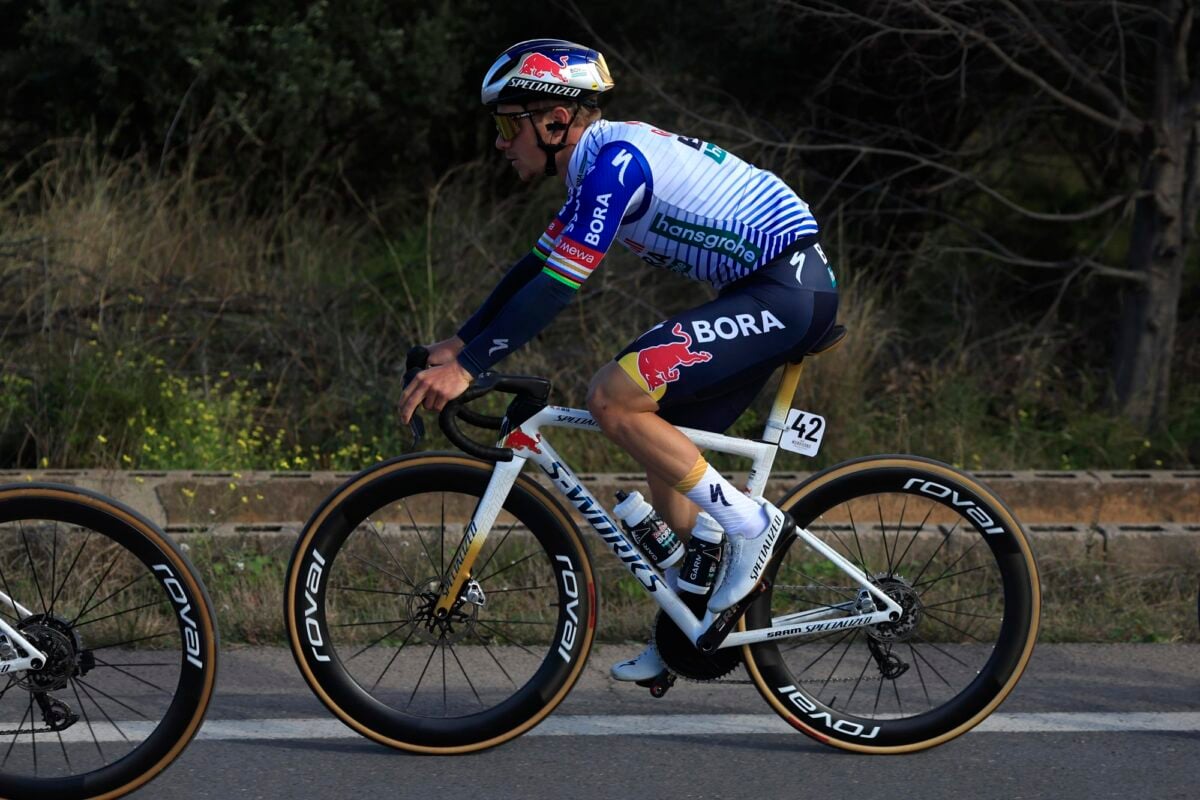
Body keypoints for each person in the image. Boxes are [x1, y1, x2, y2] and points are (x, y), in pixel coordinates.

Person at [398, 38, 838, 682]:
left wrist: (467, 370)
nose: (499, 142)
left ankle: (750, 524)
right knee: (664, 434)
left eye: (506, 125)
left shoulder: (615, 166)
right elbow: (534, 267)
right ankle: (692, 625)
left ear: (554, 122)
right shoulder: (593, 168)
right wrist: (462, 343)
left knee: (612, 396)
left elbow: (557, 286)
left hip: (786, 290)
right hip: (769, 290)